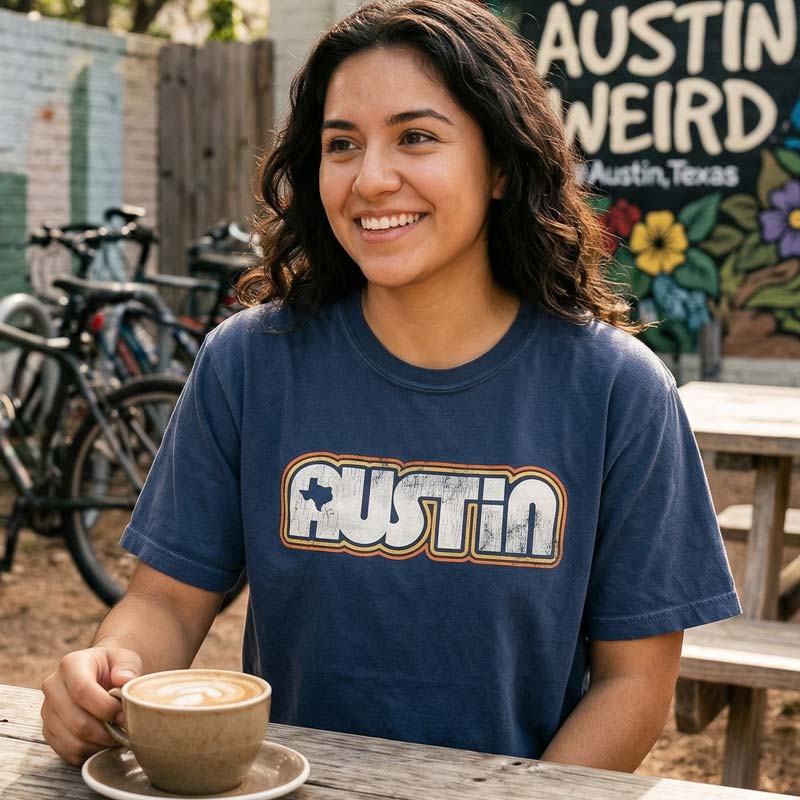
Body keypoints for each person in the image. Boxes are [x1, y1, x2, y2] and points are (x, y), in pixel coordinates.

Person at [42, 0, 741, 772]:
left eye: (416, 137)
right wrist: (112, 668)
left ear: (502, 164)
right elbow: (166, 602)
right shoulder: (248, 363)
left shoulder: (619, 393)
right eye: (342, 144)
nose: (372, 178)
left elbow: (635, 684)